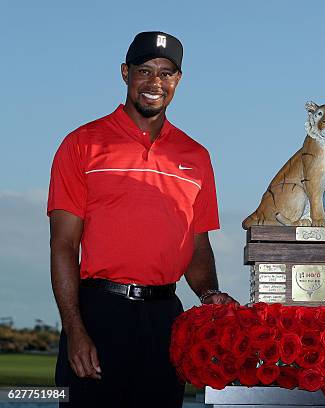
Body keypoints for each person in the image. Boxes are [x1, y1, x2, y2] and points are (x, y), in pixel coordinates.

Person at [48, 31, 235, 408]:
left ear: (178, 81)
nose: (155, 82)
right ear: (125, 73)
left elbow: (196, 242)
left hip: (166, 319)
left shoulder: (196, 156)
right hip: (100, 314)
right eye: (145, 70)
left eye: (166, 73)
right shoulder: (82, 143)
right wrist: (74, 329)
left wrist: (208, 293)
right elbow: (63, 245)